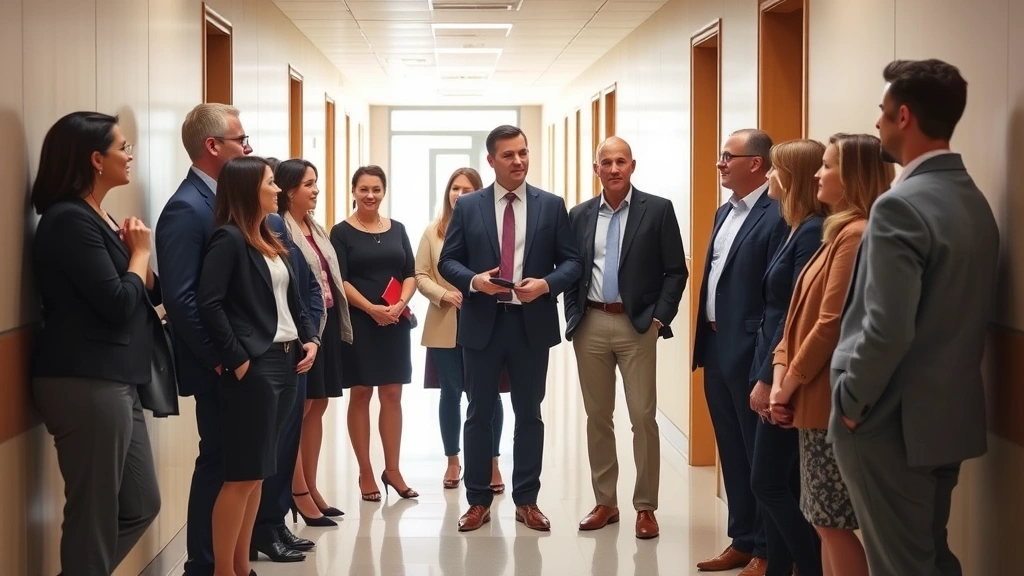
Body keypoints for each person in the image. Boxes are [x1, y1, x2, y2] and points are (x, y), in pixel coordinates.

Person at [829, 59, 999, 576]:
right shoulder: (973, 200)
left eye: (882, 112)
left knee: (900, 565)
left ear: (904, 116)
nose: (876, 123)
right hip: (946, 420)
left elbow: (887, 327)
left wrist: (851, 403)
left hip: (889, 424)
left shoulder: (900, 206)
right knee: (929, 558)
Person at [155, 104, 312, 573]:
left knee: (247, 468)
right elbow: (185, 301)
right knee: (222, 465)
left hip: (263, 361)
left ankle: (235, 562)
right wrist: (230, 360)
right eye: (241, 140)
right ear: (213, 146)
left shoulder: (257, 220)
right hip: (227, 367)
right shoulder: (187, 209)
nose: (248, 147)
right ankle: (205, 566)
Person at [29, 111, 161, 576]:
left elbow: (150, 290)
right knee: (93, 514)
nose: (130, 155)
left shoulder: (100, 216)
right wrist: (140, 254)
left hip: (118, 376)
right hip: (84, 379)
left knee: (141, 503)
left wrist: (137, 254)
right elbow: (119, 303)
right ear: (94, 158)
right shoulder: (68, 221)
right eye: (123, 147)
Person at [438, 124, 582, 532]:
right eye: (508, 155)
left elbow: (572, 262)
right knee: (479, 412)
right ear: (491, 161)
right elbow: (448, 261)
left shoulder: (551, 206)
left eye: (523, 152)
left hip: (530, 324)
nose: (518, 161)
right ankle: (478, 501)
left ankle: (527, 500)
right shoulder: (469, 207)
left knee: (529, 414)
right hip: (483, 322)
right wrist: (474, 281)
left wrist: (547, 285)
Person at [770, 133, 891, 576]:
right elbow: (796, 314)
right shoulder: (836, 230)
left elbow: (830, 322)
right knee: (823, 521)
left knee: (831, 522)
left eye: (829, 164)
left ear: (853, 175)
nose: (819, 172)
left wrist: (787, 384)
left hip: (825, 399)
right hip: (809, 395)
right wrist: (783, 367)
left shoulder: (856, 234)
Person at [198, 156, 319, 576]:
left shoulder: (267, 235)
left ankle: (239, 566)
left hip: (287, 363)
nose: (278, 190)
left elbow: (294, 299)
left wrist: (310, 339)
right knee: (242, 477)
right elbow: (208, 304)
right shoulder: (229, 239)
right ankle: (223, 571)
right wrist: (239, 361)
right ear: (250, 189)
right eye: (271, 182)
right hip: (257, 367)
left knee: (259, 476)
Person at [563, 136, 688, 540]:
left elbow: (676, 270)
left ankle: (646, 507)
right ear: (595, 168)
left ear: (632, 165)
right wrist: (573, 316)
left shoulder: (658, 210)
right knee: (598, 417)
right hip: (592, 324)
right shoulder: (579, 214)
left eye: (621, 161)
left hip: (638, 327)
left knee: (643, 417)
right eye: (606, 162)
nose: (614, 169)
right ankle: (606, 502)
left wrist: (658, 319)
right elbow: (570, 268)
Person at [691, 128, 788, 573]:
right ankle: (743, 539)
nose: (720, 163)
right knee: (731, 448)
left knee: (758, 457)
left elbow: (778, 299)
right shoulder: (723, 212)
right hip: (715, 345)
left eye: (728, 156)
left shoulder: (778, 213)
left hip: (751, 350)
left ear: (756, 163)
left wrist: (768, 365)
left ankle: (769, 551)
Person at [746, 139, 827, 576]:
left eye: (775, 170)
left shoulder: (814, 230)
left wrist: (767, 378)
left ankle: (811, 566)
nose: (769, 177)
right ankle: (780, 568)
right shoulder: (793, 225)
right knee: (778, 483)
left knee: (768, 482)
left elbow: (798, 317)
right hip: (774, 363)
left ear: (791, 176)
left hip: (787, 375)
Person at [415, 167, 506, 492]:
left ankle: (492, 462)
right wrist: (443, 294)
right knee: (451, 393)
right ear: (447, 192)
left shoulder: (492, 229)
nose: (460, 195)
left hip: (486, 322)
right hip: (444, 324)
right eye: (455, 188)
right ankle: (453, 460)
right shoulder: (433, 232)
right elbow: (421, 274)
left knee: (487, 394)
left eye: (468, 189)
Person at [330, 165, 418, 501]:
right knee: (362, 393)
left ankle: (392, 470)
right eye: (363, 189)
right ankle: (366, 471)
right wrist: (371, 309)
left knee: (393, 394)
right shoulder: (341, 232)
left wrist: (399, 305)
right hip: (361, 322)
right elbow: (341, 279)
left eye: (376, 189)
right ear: (353, 191)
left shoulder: (398, 229)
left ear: (384, 191)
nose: (370, 195)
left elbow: (409, 272)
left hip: (395, 321)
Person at [273, 159, 353, 524]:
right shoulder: (280, 229)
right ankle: (296, 490)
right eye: (309, 184)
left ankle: (310, 485)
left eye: (315, 182)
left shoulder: (315, 227)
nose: (316, 189)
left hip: (327, 323)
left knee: (317, 405)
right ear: (289, 191)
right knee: (298, 411)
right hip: (304, 330)